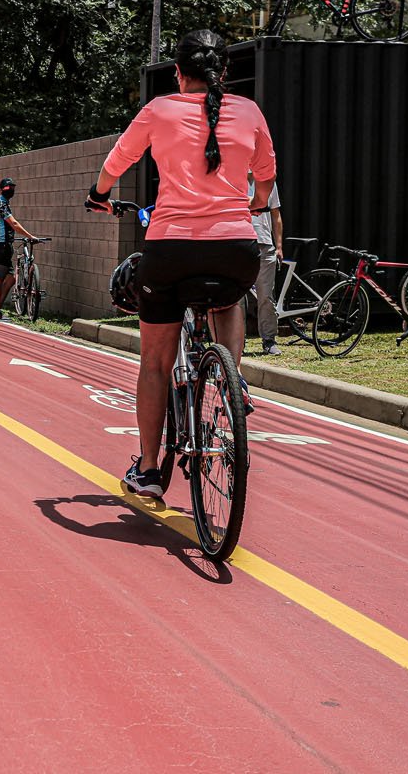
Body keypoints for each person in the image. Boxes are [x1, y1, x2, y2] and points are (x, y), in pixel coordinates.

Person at [85, 29, 275, 498]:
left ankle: (149, 469)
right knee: (228, 298)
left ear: (178, 73)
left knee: (154, 363)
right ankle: (232, 379)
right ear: (223, 72)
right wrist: (247, 207)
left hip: (170, 250)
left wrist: (100, 196)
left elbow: (116, 163)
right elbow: (266, 184)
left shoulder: (159, 110)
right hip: (235, 248)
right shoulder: (249, 111)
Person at [0, 177, 41, 320]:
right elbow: (14, 224)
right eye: (7, 188)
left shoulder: (5, 204)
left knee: (11, 279)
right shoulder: (0, 204)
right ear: (1, 189)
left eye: (12, 187)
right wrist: (30, 236)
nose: (10, 190)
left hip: (5, 246)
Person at [250, 175, 284, 355]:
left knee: (266, 296)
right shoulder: (231, 178)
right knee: (235, 298)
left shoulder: (267, 183)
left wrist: (279, 246)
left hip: (264, 244)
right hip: (239, 242)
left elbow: (276, 214)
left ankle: (269, 340)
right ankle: (235, 342)